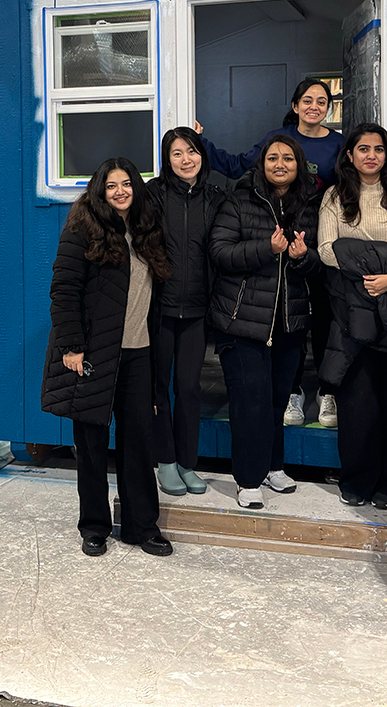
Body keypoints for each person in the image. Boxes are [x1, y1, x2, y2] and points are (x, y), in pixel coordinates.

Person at [40, 158, 174, 558]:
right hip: (93, 355)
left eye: (127, 183)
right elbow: (63, 291)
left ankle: (142, 527)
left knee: (138, 445)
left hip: (138, 354)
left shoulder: (147, 229)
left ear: (137, 187)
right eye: (111, 185)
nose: (120, 191)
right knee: (93, 446)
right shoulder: (82, 230)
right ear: (99, 190)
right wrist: (72, 347)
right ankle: (94, 527)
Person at [196, 78, 342, 430]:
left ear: (328, 108)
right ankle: (293, 392)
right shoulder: (276, 139)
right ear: (295, 106)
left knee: (321, 316)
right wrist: (198, 141)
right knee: (286, 322)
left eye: (321, 102)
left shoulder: (339, 144)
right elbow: (235, 167)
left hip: (319, 237)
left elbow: (350, 187)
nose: (314, 107)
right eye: (307, 100)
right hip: (274, 240)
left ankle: (327, 391)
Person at [318, 123, 387, 509]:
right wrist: (373, 267)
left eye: (378, 149)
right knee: (358, 401)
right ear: (349, 154)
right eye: (362, 148)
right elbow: (326, 249)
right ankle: (358, 480)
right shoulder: (335, 196)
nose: (370, 155)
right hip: (352, 306)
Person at [207, 135, 320, 510]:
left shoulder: (309, 206)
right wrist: (266, 249)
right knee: (248, 403)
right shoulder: (238, 200)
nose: (280, 164)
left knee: (275, 401)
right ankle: (248, 478)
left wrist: (304, 257)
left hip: (289, 323)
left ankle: (273, 466)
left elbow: (319, 264)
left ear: (298, 164)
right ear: (261, 164)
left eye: (288, 158)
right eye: (272, 158)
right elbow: (220, 252)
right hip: (241, 322)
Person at [148, 127, 225, 497]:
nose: (185, 160)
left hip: (197, 309)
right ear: (167, 159)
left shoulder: (214, 197)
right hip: (159, 309)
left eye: (191, 151)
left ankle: (187, 462)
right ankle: (164, 461)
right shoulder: (152, 195)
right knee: (158, 388)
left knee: (190, 389)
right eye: (176, 154)